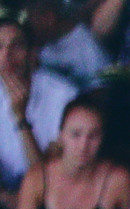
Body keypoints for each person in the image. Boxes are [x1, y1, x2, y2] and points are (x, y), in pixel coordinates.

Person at [0, 15, 74, 198]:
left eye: (16, 46)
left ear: (33, 52)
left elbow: (46, 178)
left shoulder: (63, 95)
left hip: (48, 194)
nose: (7, 55)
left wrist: (20, 119)